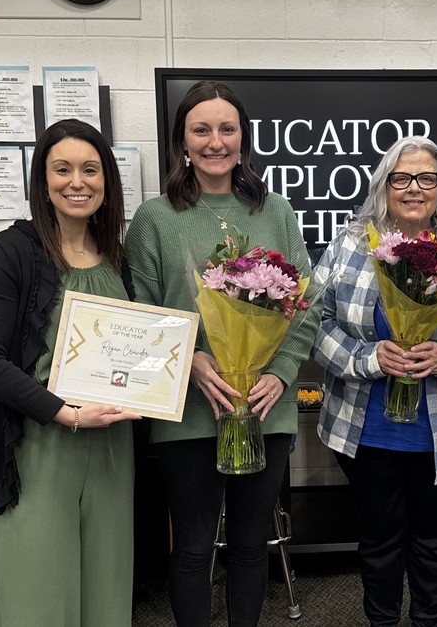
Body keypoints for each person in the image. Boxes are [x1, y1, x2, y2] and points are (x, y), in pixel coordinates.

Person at [125, 81, 318, 626]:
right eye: (201, 130)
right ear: (181, 142)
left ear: (243, 138)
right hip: (189, 410)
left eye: (226, 129)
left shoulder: (276, 211)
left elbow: (305, 305)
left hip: (263, 406)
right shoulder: (154, 219)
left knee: (251, 546)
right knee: (191, 548)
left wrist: (281, 373)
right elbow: (139, 313)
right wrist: (187, 359)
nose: (215, 141)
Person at [0, 119, 142, 627]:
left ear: (108, 180)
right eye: (62, 169)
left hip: (110, 448)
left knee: (107, 595)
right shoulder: (10, 252)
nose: (76, 182)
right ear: (42, 181)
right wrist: (62, 412)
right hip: (37, 446)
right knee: (34, 599)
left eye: (90, 169)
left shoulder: (117, 258)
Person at [314, 136, 437, 627]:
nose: (414, 188)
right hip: (364, 428)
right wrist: (367, 357)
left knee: (436, 545)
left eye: (427, 178)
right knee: (379, 541)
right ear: (384, 186)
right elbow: (315, 324)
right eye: (402, 178)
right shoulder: (351, 246)